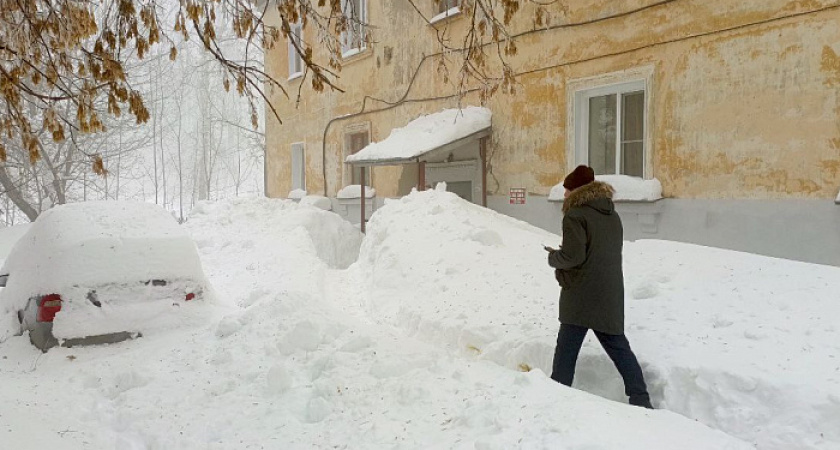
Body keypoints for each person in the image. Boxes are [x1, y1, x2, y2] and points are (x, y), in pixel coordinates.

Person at [546, 165, 653, 409]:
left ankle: (554, 395)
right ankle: (641, 398)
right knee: (618, 347)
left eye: (567, 190)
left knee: (566, 349)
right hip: (609, 292)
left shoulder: (575, 215)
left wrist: (554, 258)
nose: (564, 195)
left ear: (576, 190)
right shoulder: (611, 214)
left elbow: (574, 256)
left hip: (581, 293)